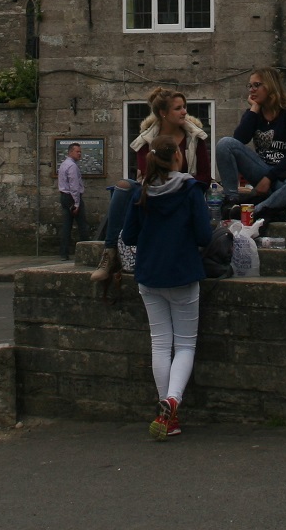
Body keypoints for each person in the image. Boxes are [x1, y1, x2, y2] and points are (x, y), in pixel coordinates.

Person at [120, 134, 212, 440]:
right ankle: (173, 400)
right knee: (185, 344)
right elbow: (203, 235)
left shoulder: (142, 191)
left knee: (160, 343)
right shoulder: (189, 190)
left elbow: (129, 236)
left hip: (150, 275)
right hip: (182, 273)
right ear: (177, 157)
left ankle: (167, 416)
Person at [92, 87, 203, 289]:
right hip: (154, 190)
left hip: (186, 191)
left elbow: (203, 175)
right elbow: (147, 175)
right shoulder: (146, 140)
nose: (185, 112)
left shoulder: (195, 137)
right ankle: (109, 253)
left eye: (184, 107)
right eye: (179, 108)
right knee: (123, 186)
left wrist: (181, 182)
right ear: (163, 113)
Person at [214, 68, 286, 217]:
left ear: (270, 86)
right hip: (261, 170)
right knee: (225, 143)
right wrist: (253, 109)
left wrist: (269, 178)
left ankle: (255, 211)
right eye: (250, 86)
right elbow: (239, 139)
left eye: (257, 85)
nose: (252, 90)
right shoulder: (254, 114)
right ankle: (231, 201)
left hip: (285, 175)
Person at [57, 143, 88, 260]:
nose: (80, 154)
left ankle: (64, 253)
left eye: (80, 152)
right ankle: (86, 252)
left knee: (66, 226)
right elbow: (74, 186)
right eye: (77, 152)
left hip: (64, 196)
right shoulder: (72, 166)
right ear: (70, 152)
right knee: (82, 226)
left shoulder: (64, 164)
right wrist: (76, 203)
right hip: (72, 197)